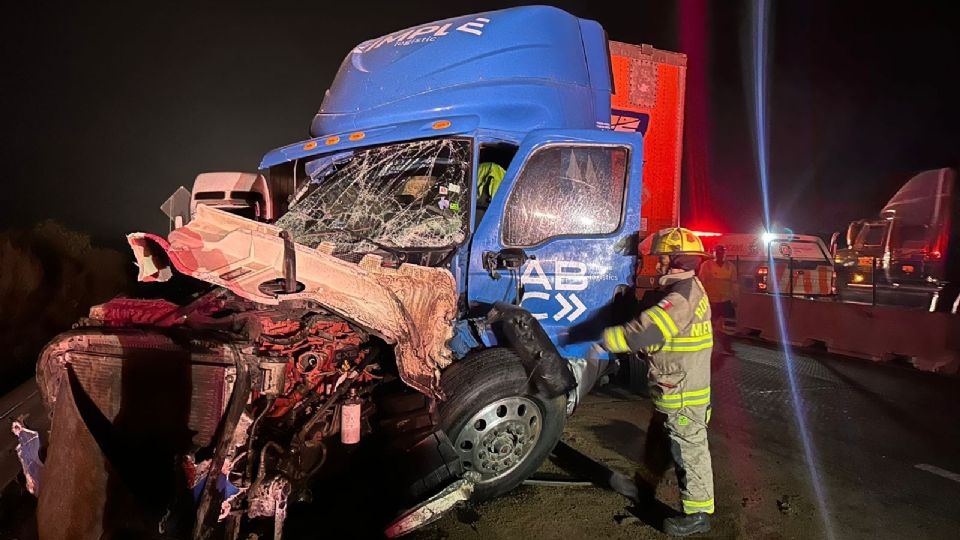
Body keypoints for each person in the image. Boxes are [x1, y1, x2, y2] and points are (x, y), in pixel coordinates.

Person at [601, 227, 716, 536]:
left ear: (671, 259)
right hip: (673, 388)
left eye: (660, 258)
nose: (656, 264)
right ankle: (643, 490)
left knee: (688, 451)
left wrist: (601, 340)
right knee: (659, 444)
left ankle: (698, 514)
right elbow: (662, 338)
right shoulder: (684, 290)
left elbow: (645, 332)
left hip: (683, 392)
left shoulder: (681, 297)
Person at [698, 245, 738, 356]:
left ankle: (727, 345)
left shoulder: (730, 267)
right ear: (714, 253)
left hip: (726, 299)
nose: (720, 255)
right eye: (718, 252)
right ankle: (708, 346)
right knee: (710, 325)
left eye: (722, 253)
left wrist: (735, 298)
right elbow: (701, 283)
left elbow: (734, 284)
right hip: (711, 300)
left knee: (730, 325)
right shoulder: (706, 266)